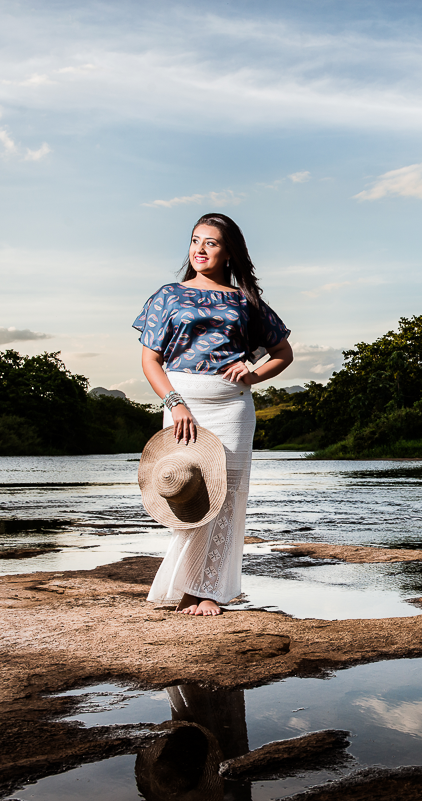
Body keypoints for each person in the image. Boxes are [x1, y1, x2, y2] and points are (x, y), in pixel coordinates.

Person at [134, 213, 293, 616]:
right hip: (183, 406)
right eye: (195, 240)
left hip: (233, 408)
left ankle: (207, 592)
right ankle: (188, 586)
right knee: (187, 492)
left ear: (228, 253)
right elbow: (150, 360)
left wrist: (253, 373)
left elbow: (283, 354)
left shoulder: (246, 301)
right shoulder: (168, 295)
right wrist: (176, 403)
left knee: (227, 499)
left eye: (211, 243)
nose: (200, 249)